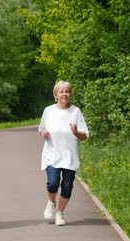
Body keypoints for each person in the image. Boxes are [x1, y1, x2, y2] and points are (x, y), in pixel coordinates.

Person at [38, 81, 89, 226]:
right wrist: (44, 133)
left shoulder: (76, 112)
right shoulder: (49, 110)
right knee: (53, 183)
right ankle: (51, 201)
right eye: (61, 91)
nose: (64, 94)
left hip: (69, 157)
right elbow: (41, 128)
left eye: (67, 91)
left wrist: (76, 132)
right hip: (52, 155)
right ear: (56, 95)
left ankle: (60, 213)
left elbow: (84, 136)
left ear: (70, 94)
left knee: (67, 186)